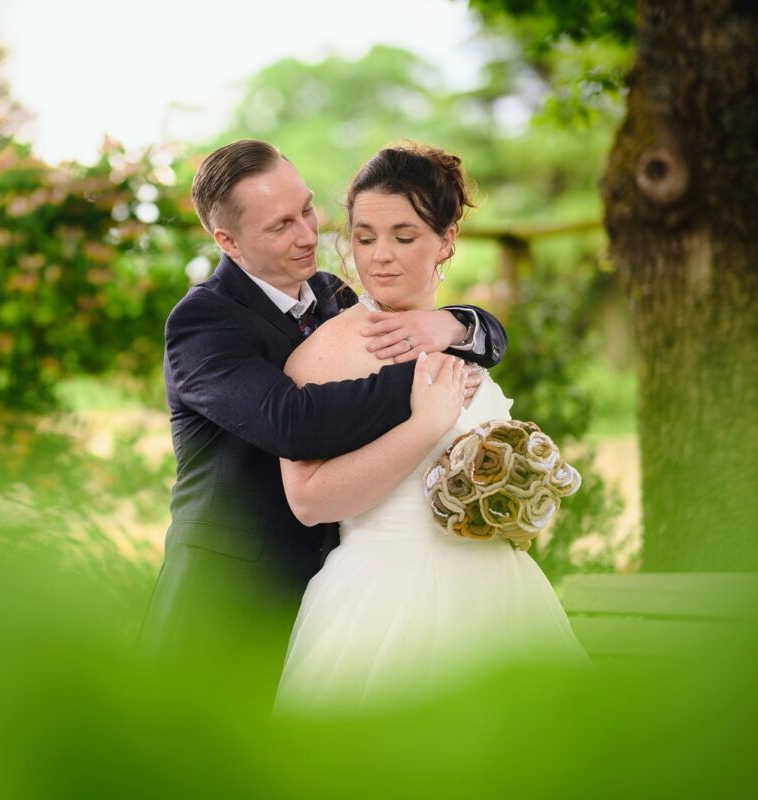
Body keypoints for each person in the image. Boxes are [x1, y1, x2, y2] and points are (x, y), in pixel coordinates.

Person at [135, 139, 508, 700]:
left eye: (307, 209)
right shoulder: (204, 322)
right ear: (227, 241)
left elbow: (415, 323)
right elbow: (292, 420)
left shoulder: (331, 295)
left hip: (335, 588)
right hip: (228, 599)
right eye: (280, 225)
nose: (308, 235)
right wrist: (428, 382)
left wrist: (458, 326)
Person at [274, 145, 592, 714]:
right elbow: (307, 500)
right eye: (365, 236)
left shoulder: (459, 337)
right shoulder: (329, 351)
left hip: (502, 597)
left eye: (404, 235)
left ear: (446, 241)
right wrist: (427, 426)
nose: (380, 257)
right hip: (384, 601)